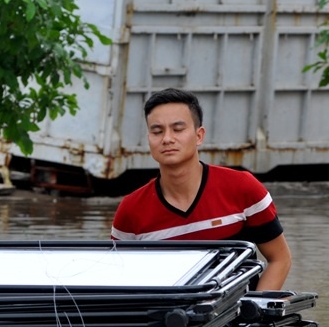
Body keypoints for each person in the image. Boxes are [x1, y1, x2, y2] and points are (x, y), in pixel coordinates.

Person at [111, 88, 292, 291]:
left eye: (178, 129)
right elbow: (120, 279)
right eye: (157, 131)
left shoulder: (242, 188)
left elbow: (279, 259)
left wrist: (256, 304)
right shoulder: (131, 209)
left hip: (237, 309)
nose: (167, 139)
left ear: (199, 136)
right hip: (164, 310)